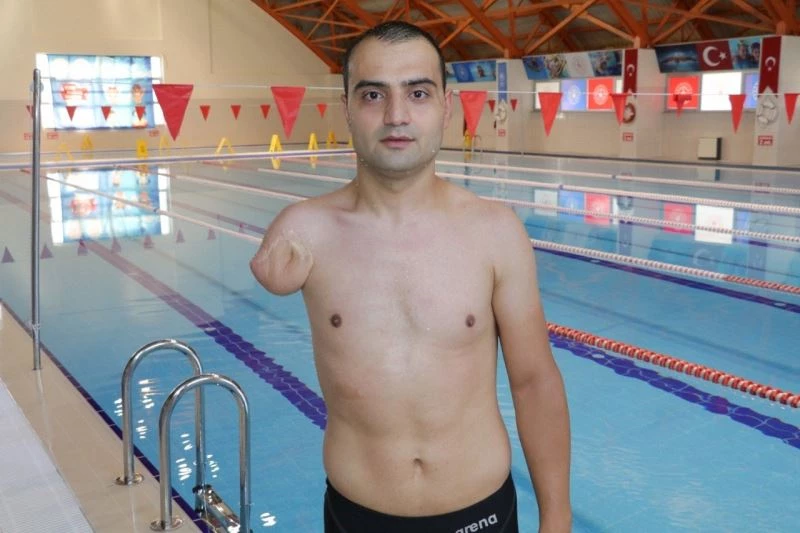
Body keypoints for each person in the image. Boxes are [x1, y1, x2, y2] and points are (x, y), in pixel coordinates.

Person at [250, 21, 571, 533]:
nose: (396, 115)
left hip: (482, 515)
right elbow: (267, 275)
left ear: (446, 106)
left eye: (417, 93)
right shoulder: (305, 230)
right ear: (347, 109)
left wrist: (556, 516)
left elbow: (534, 382)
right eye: (373, 94)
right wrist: (269, 275)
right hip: (358, 516)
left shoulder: (495, 231)